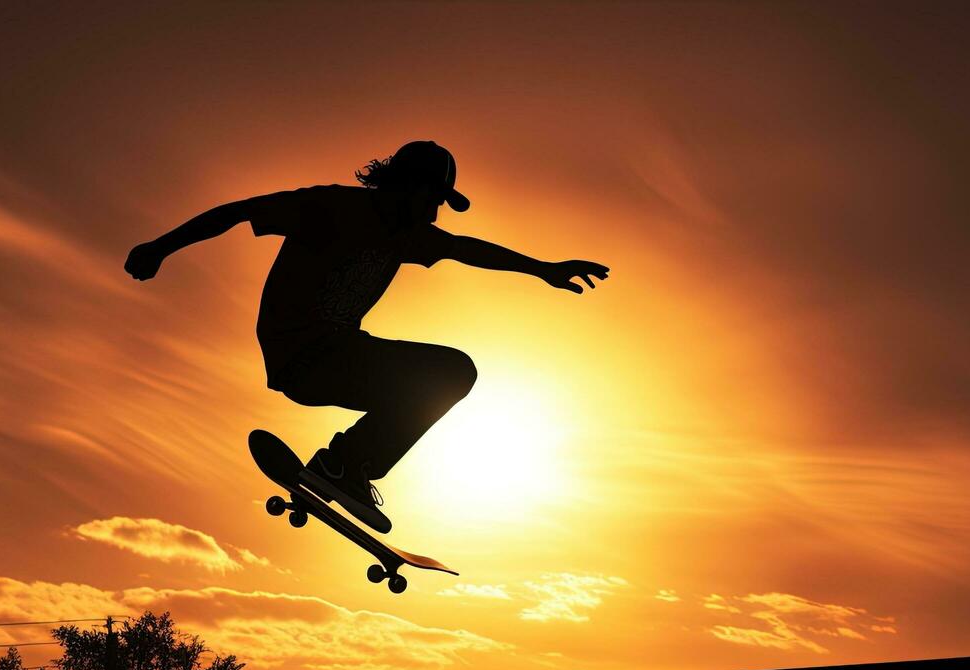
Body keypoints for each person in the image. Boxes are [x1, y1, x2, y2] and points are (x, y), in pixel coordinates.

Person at [125, 140, 609, 534]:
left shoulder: (409, 234)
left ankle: (345, 466)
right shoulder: (328, 207)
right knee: (446, 371)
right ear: (405, 186)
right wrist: (159, 248)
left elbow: (467, 249)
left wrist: (543, 269)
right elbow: (235, 212)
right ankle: (343, 464)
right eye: (433, 199)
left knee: (452, 373)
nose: (435, 215)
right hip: (305, 353)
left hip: (339, 356)